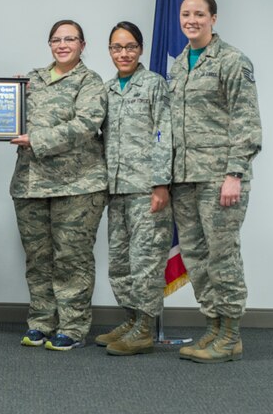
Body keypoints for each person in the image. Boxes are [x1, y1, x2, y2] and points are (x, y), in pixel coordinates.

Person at [170, 0, 262, 363]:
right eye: (186, 14)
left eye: (199, 14)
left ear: (214, 19)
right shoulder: (179, 65)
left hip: (220, 178)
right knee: (196, 257)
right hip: (185, 178)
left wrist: (234, 173)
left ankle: (231, 335)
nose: (191, 20)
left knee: (223, 257)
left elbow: (246, 121)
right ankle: (213, 326)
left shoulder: (232, 61)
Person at [9, 19, 108, 351]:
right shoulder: (31, 79)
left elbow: (85, 124)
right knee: (38, 258)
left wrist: (35, 139)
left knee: (72, 258)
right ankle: (40, 321)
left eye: (70, 39)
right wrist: (5, 98)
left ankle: (73, 326)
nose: (63, 44)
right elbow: (8, 114)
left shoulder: (90, 82)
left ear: (83, 44)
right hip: (31, 183)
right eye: (56, 39)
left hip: (77, 185)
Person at [96, 21, 173, 356]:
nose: (123, 53)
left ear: (140, 49)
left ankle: (144, 328)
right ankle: (130, 319)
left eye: (129, 47)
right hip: (116, 189)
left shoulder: (154, 85)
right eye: (116, 47)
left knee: (146, 261)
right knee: (120, 262)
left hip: (146, 189)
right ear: (110, 51)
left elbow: (165, 134)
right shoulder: (107, 89)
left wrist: (160, 184)